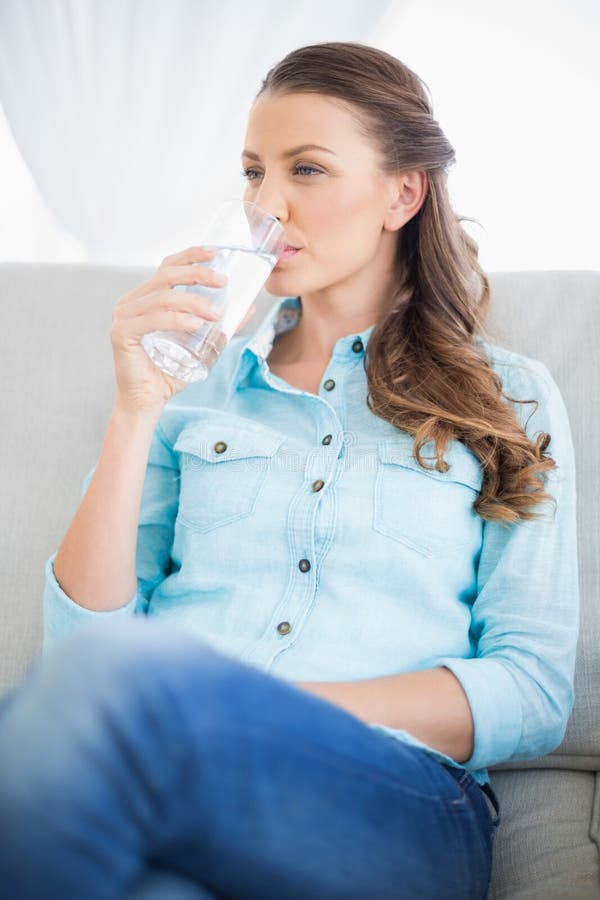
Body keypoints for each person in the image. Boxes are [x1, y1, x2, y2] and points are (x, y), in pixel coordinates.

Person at [0, 41, 579, 900]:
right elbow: (82, 648)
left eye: (306, 170)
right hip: (165, 772)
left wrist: (271, 716)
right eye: (251, 173)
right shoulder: (197, 396)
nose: (264, 205)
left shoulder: (512, 398)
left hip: (392, 797)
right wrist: (136, 410)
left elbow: (531, 690)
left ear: (403, 192)